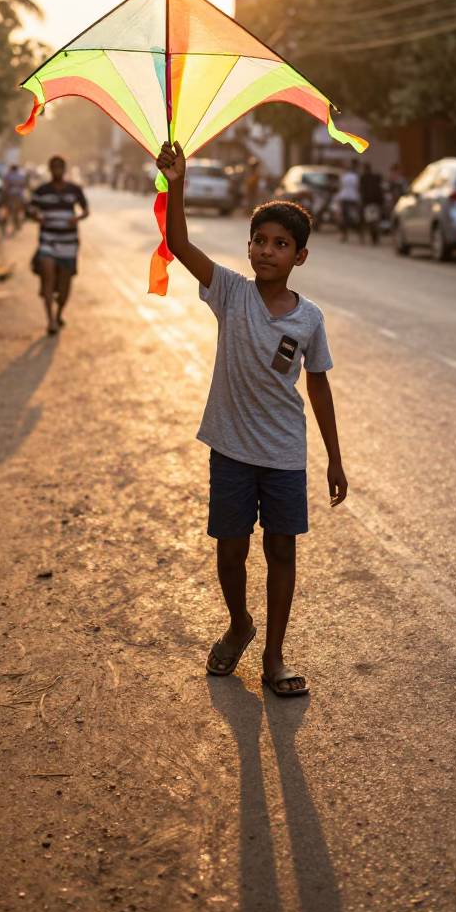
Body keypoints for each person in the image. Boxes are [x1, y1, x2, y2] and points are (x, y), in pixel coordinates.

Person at [156, 139, 348, 697]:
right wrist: (176, 182)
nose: (268, 252)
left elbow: (318, 385)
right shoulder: (229, 293)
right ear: (248, 248)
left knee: (282, 550)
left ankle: (274, 654)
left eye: (281, 244)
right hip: (231, 447)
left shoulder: (309, 319)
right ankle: (240, 623)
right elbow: (177, 241)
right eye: (260, 242)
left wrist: (335, 457)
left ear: (300, 256)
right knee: (232, 549)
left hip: (285, 453)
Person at [27, 155, 89, 335]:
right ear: (50, 170)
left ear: (64, 169)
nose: (57, 172)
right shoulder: (41, 191)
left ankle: (59, 312)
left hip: (68, 242)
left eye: (59, 168)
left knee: (64, 283)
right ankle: (50, 319)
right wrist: (35, 216)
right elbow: (30, 208)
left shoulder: (74, 190)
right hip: (48, 240)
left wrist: (76, 218)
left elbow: (85, 210)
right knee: (48, 278)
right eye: (53, 168)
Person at [336, 157, 361, 242]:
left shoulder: (344, 176)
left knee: (345, 217)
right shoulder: (356, 176)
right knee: (355, 217)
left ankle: (345, 235)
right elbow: (358, 187)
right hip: (353, 199)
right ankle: (359, 235)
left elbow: (340, 187)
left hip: (344, 198)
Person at [359, 164, 384, 245]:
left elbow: (360, 190)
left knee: (362, 218)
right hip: (376, 202)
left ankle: (362, 235)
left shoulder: (364, 178)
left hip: (368, 202)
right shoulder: (375, 178)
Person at [2, 163, 28, 235]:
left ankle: (5, 227)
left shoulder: (8, 175)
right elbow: (24, 185)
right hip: (19, 195)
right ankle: (17, 225)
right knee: (18, 211)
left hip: (10, 195)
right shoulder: (21, 175)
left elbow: (5, 186)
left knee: (8, 211)